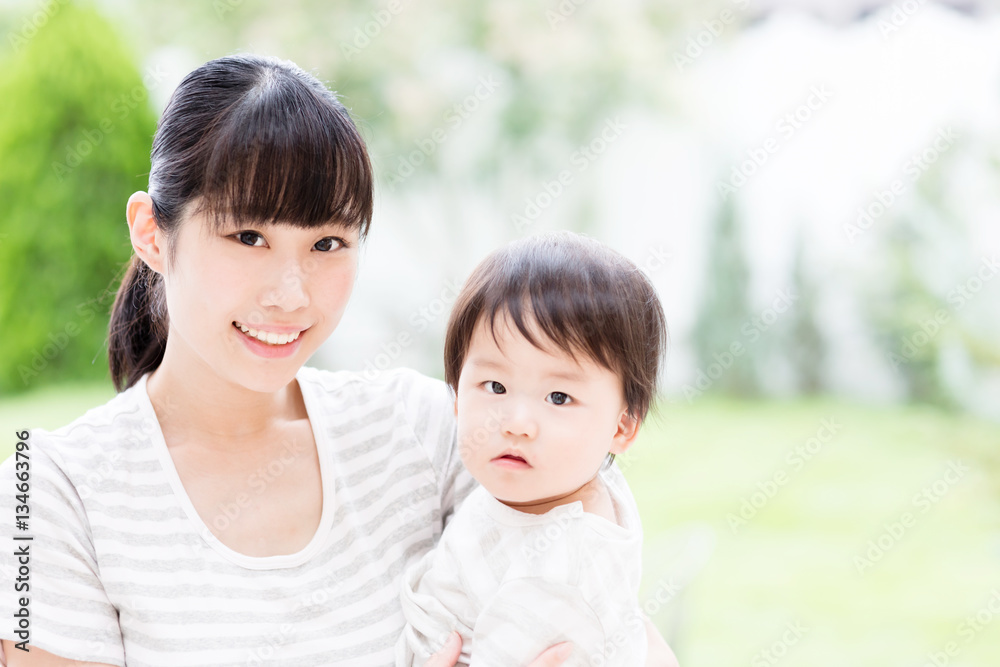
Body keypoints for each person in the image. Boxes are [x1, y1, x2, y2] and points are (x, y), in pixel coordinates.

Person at [0, 55, 675, 666]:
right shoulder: (50, 492)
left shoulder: (427, 430)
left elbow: (620, 630)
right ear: (152, 232)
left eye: (327, 243)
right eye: (249, 235)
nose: (290, 294)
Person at [396, 233, 673, 666]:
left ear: (622, 426)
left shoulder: (559, 576)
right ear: (455, 396)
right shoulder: (561, 479)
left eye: (559, 397)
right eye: (496, 386)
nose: (516, 424)